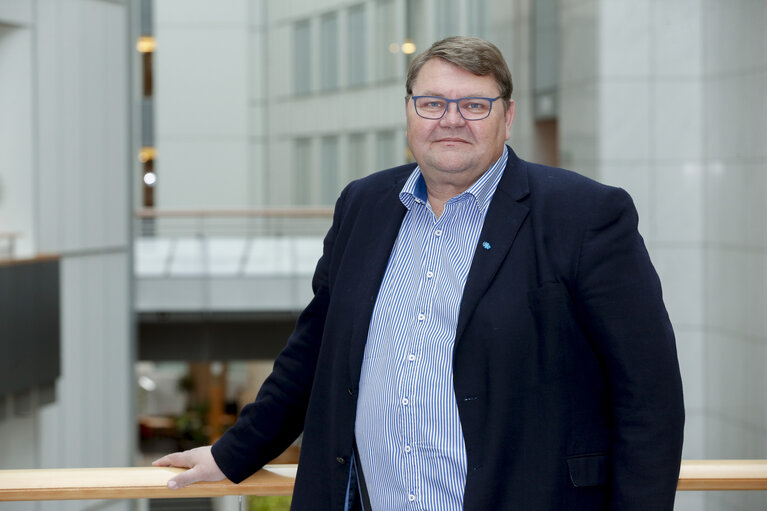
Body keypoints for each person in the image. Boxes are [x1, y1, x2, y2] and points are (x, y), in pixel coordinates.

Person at [154, 36, 685, 510]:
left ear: (508, 114)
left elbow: (649, 396)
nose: (450, 120)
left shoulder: (585, 215)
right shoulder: (363, 205)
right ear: (409, 112)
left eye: (475, 104)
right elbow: (313, 351)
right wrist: (233, 454)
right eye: (431, 103)